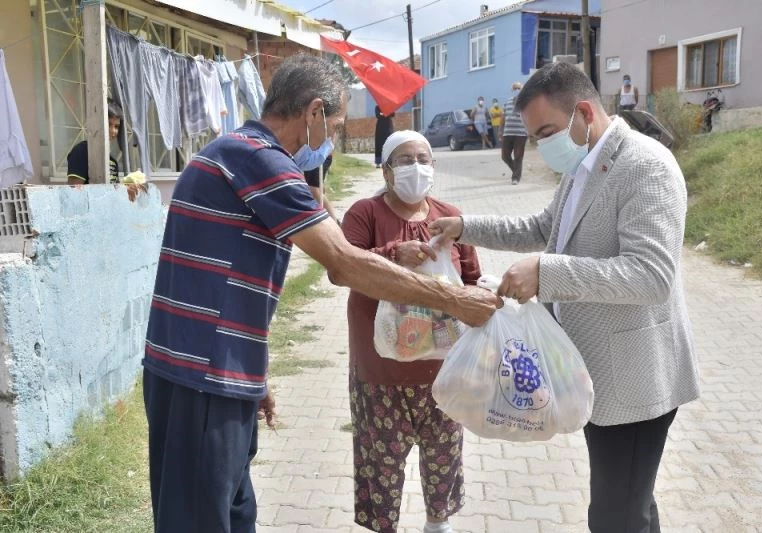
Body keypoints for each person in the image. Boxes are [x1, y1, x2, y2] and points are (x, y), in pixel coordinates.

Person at [142, 54, 501, 533]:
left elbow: (224, 277)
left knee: (230, 511)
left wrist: (254, 373)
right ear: (313, 112)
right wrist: (454, 301)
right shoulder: (262, 161)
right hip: (202, 374)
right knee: (202, 519)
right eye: (333, 126)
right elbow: (345, 263)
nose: (331, 139)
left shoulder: (233, 151)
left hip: (207, 368)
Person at [430, 62, 699, 533]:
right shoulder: (583, 166)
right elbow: (540, 228)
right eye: (535, 137)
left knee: (615, 518)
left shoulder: (645, 166)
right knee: (631, 506)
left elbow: (651, 276)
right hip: (598, 372)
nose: (541, 147)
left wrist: (546, 272)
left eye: (547, 133)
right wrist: (464, 227)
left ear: (584, 113)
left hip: (635, 380)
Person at [342, 130, 480, 533]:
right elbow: (344, 266)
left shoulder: (449, 217)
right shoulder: (365, 214)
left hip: (444, 373)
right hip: (380, 373)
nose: (416, 167)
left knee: (444, 458)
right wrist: (391, 255)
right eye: (404, 160)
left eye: (423, 159)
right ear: (386, 171)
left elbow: (472, 278)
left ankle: (438, 524)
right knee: (380, 465)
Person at [67, 100, 123, 184]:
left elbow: (114, 190)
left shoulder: (112, 162)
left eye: (116, 126)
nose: (113, 131)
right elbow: (74, 190)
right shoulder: (81, 151)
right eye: (108, 124)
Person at [501, 82, 528, 185]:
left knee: (518, 156)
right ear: (512, 90)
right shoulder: (507, 102)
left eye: (519, 88)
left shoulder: (525, 102)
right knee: (504, 156)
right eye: (515, 88)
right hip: (507, 133)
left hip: (521, 134)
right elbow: (503, 117)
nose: (517, 90)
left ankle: (516, 178)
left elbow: (529, 117)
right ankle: (516, 171)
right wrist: (500, 130)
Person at [303, 153, 339, 223]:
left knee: (314, 190)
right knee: (316, 189)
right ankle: (325, 217)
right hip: (310, 156)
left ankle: (334, 222)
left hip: (319, 156)